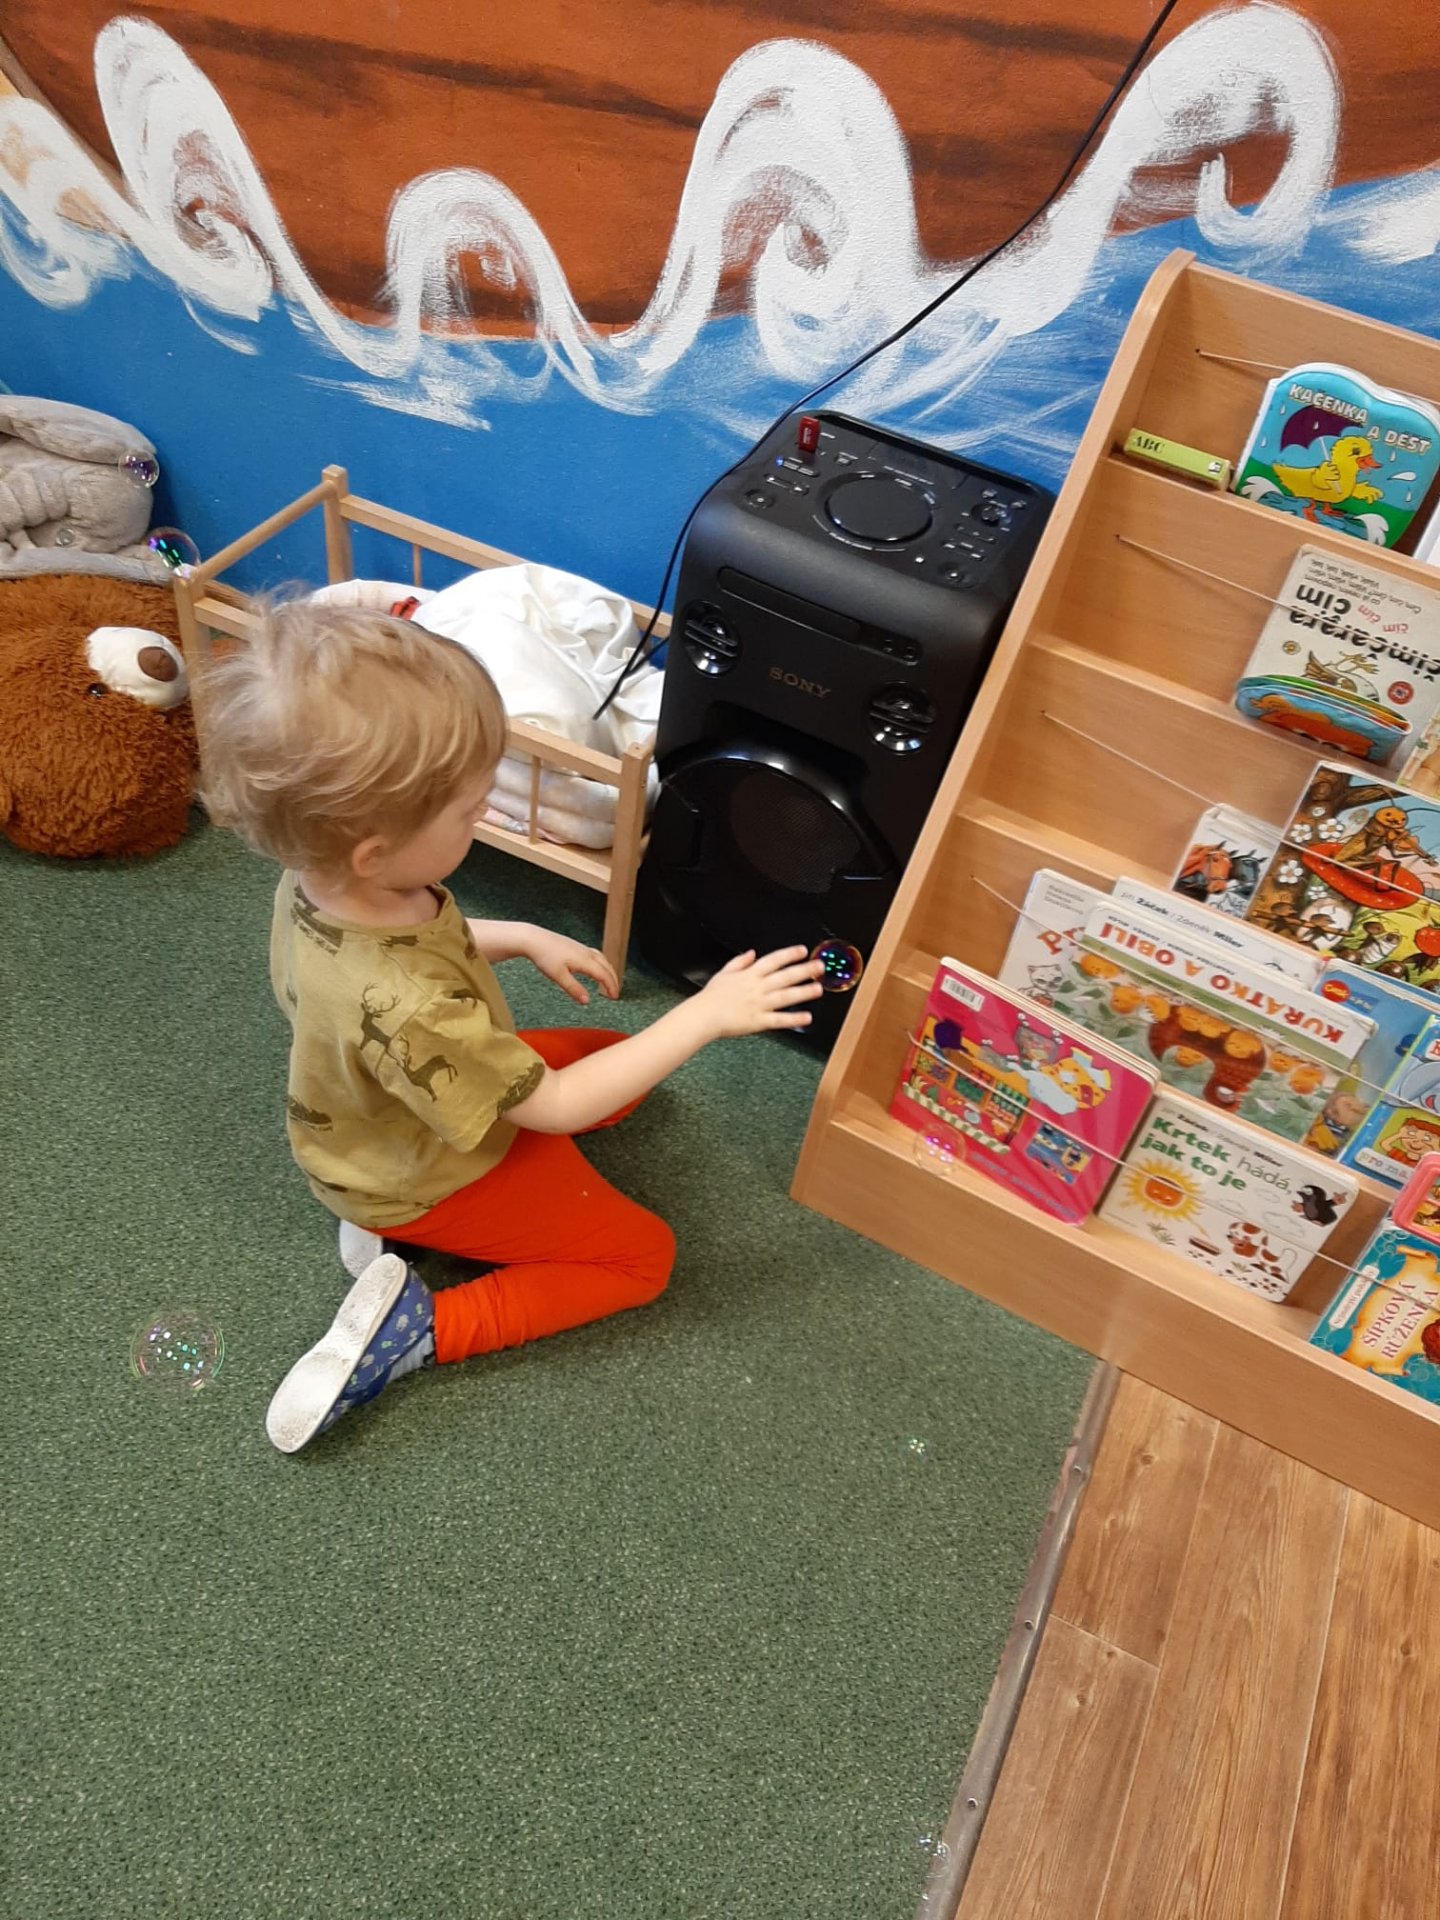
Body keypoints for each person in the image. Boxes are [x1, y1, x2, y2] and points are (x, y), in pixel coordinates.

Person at [199, 596, 824, 1453]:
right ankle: (419, 1331)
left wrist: (524, 934)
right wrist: (704, 1015)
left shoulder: (323, 880)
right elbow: (554, 1105)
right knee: (642, 1256)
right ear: (373, 852)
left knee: (617, 1069)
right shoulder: (412, 1005)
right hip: (428, 1169)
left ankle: (383, 1219)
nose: (483, 815)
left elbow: (415, 952)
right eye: (469, 812)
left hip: (381, 1112)